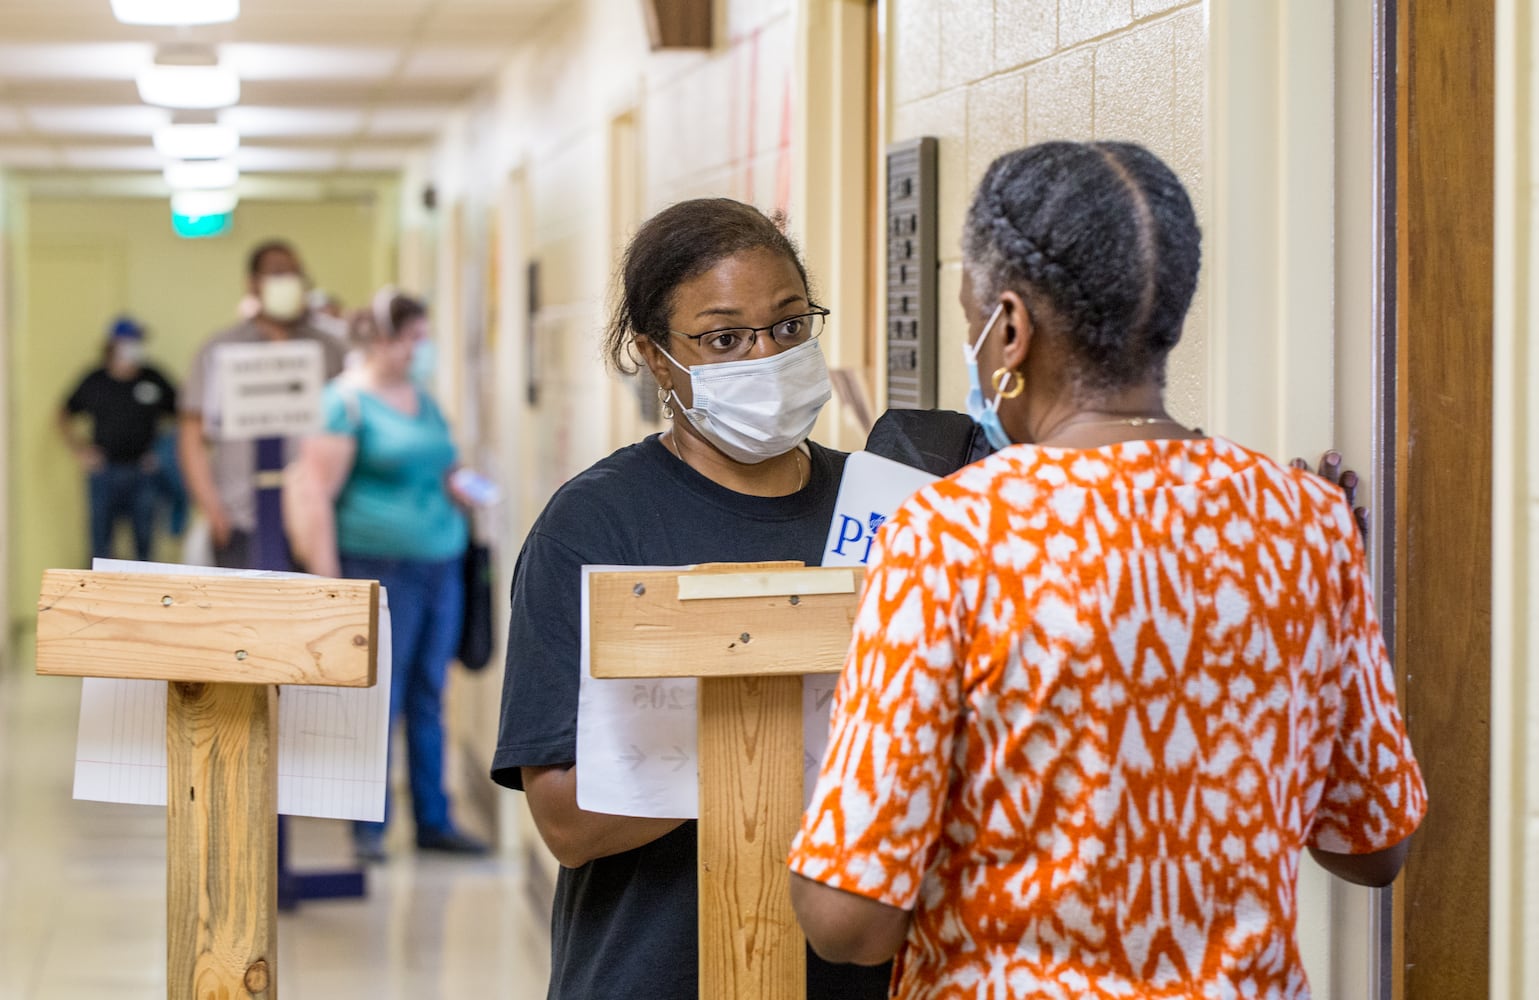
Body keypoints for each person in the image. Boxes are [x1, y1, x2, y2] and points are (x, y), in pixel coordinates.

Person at [787, 141, 1428, 998]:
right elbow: (1373, 844)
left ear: (1008, 328)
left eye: (970, 318)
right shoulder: (1304, 520)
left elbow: (847, 922)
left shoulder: (951, 532)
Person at [492, 198, 891, 1000]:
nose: (765, 355)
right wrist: (778, 745)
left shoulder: (883, 509)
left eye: (787, 325)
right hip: (655, 971)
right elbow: (567, 823)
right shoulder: (595, 525)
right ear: (656, 356)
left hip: (858, 973)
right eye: (723, 339)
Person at [290, 288, 487, 862]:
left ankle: (434, 818)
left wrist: (465, 488)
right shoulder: (344, 403)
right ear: (382, 338)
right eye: (414, 338)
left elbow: (444, 466)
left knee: (430, 692)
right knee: (382, 695)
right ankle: (368, 825)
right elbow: (316, 495)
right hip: (377, 569)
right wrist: (332, 585)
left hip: (441, 563)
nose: (422, 349)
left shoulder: (421, 400)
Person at [177, 240, 347, 569]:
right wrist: (211, 508)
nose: (289, 281)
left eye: (295, 273)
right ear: (253, 283)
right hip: (239, 517)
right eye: (277, 273)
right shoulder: (218, 349)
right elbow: (191, 436)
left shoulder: (331, 349)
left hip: (314, 517)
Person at [59, 316, 179, 561]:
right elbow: (63, 413)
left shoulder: (152, 378)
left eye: (137, 340)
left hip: (144, 473)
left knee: (144, 546)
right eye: (128, 340)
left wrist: (163, 450)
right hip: (105, 472)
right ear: (112, 345)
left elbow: (185, 415)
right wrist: (81, 450)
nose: (133, 346)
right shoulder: (96, 380)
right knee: (100, 547)